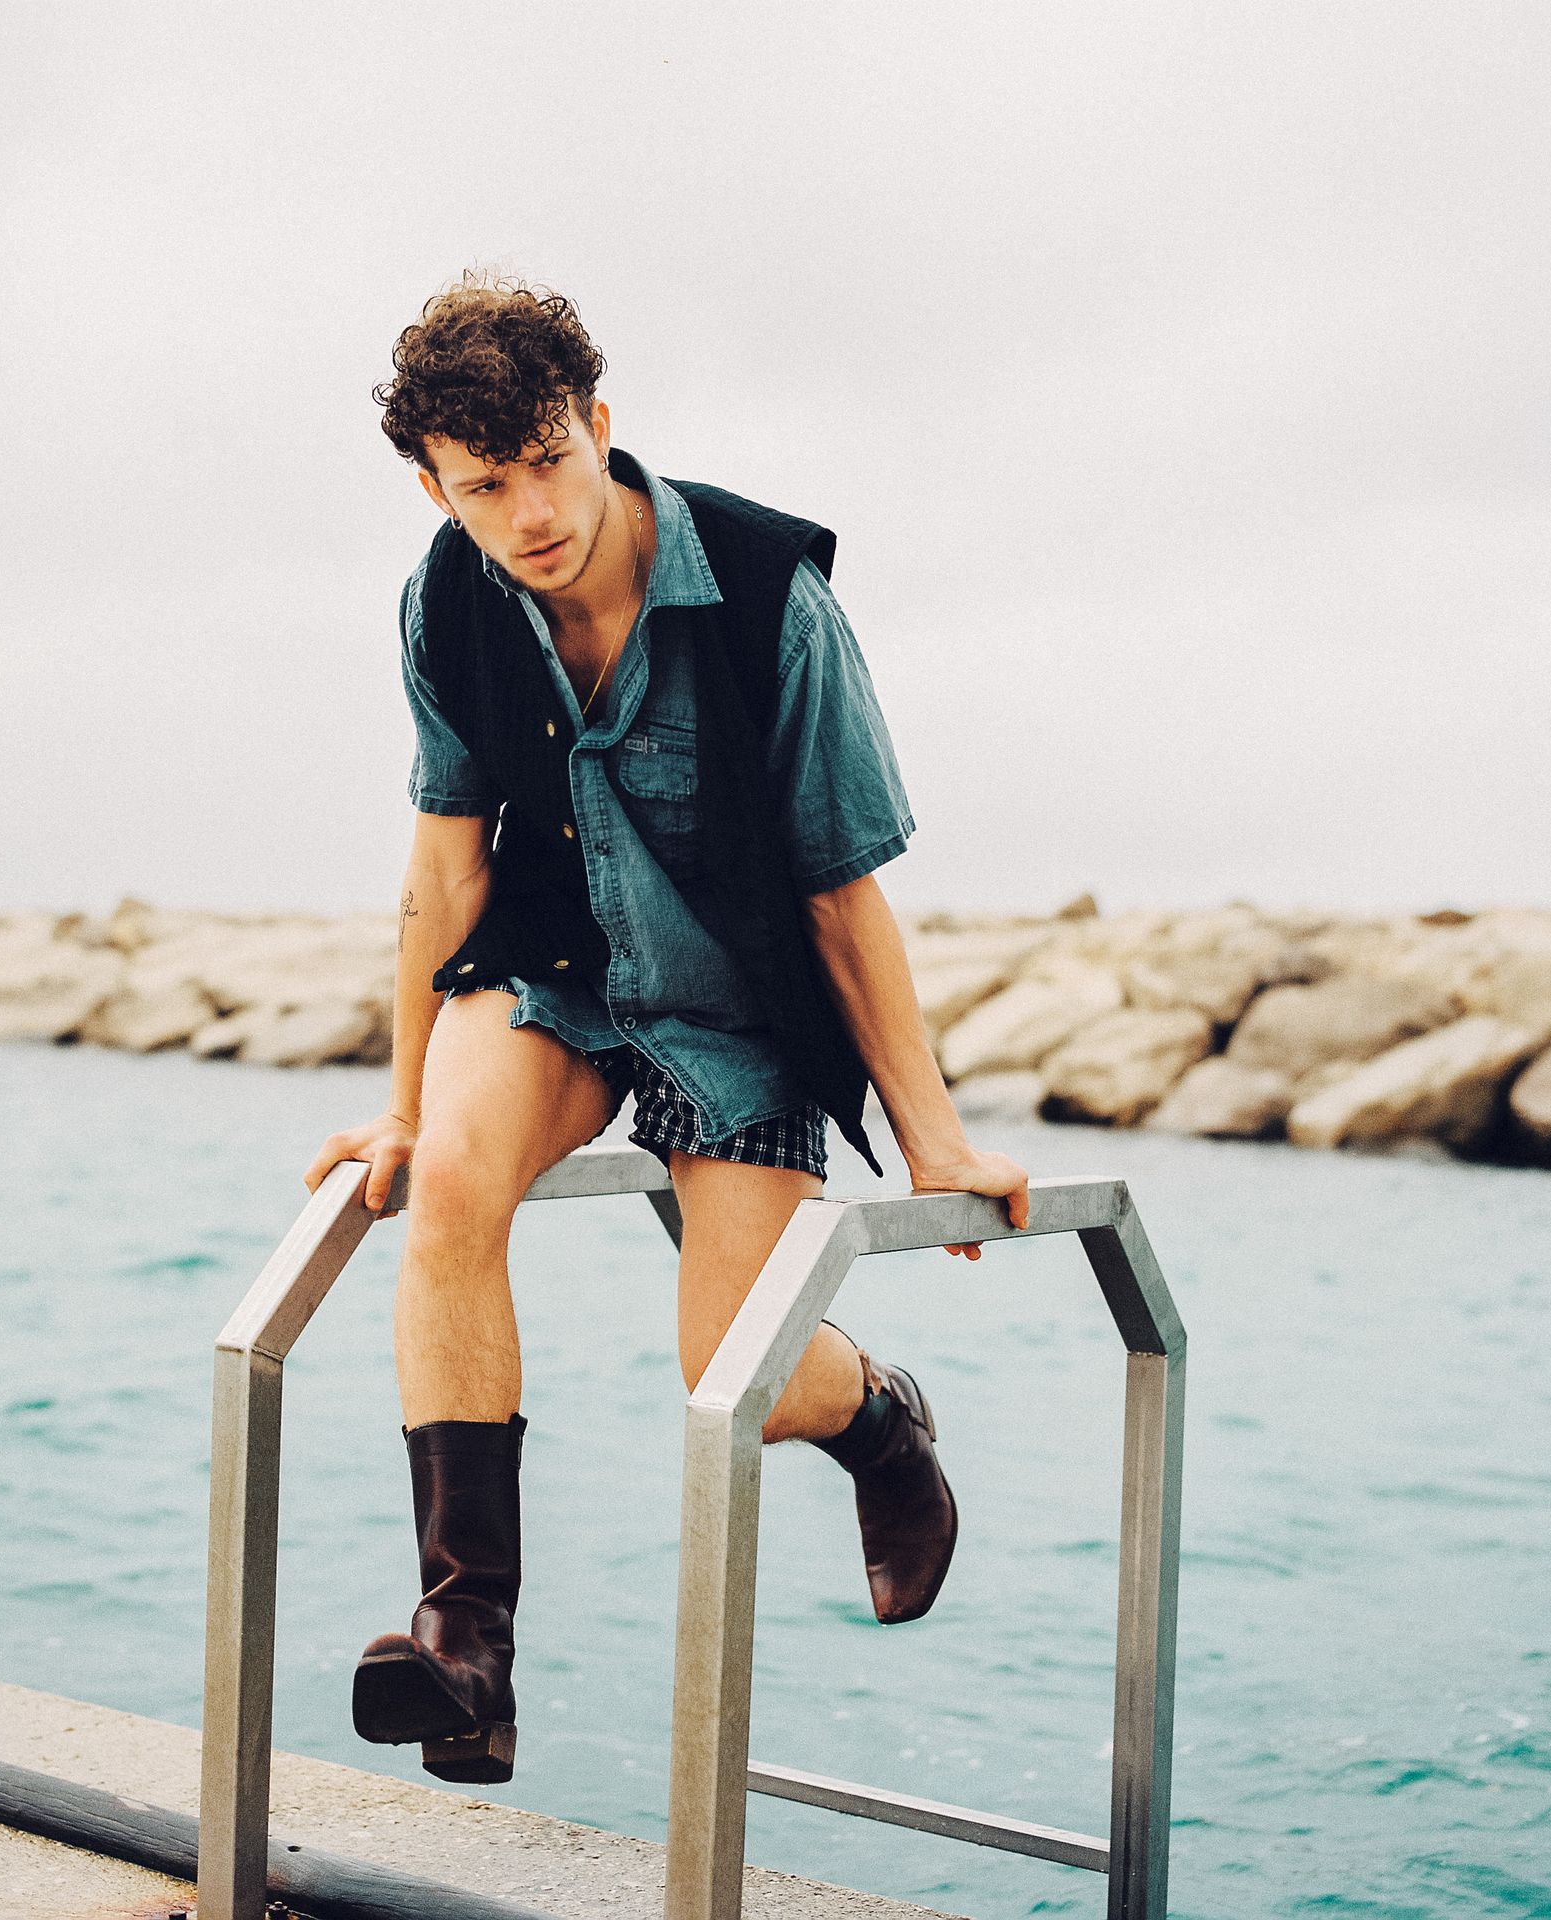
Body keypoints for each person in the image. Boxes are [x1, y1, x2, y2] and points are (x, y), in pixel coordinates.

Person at [304, 274, 1029, 1787]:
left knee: (733, 1370)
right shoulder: (447, 599)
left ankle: (880, 1424)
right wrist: (399, 1102)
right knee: (445, 1183)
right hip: (560, 975)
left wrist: (931, 1134)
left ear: (602, 427)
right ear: (434, 486)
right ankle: (467, 1646)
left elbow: (842, 895)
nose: (528, 513)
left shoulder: (770, 596)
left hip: (743, 1010)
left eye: (550, 459)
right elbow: (446, 867)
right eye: (483, 485)